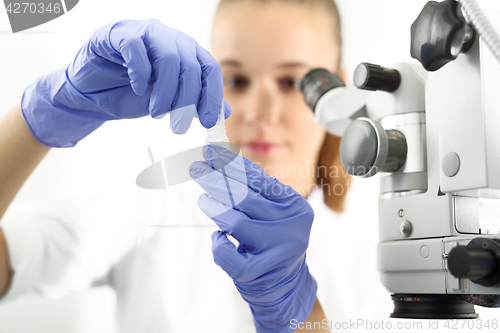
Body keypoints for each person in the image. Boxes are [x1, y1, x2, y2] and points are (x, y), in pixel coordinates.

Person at [0, 0, 385, 332]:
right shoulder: (151, 215)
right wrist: (43, 117)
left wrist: (298, 310)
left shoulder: (380, 266)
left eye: (290, 82)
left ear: (340, 93)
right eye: (235, 79)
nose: (259, 113)